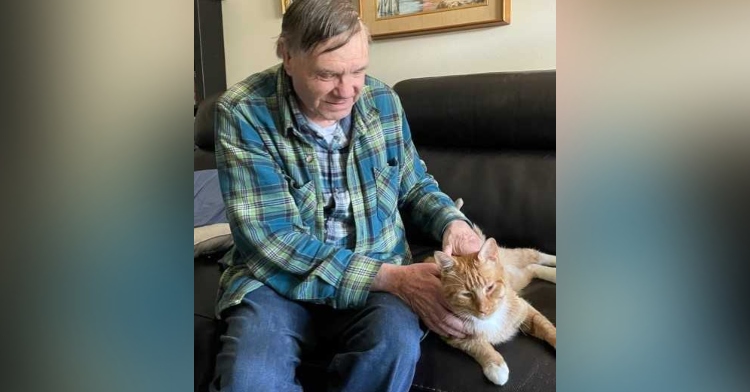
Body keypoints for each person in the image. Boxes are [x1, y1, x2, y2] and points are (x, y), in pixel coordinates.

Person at [210, 0, 483, 391]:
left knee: (394, 345)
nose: (348, 90)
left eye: (358, 70)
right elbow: (272, 239)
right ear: (287, 56)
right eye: (328, 74)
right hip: (276, 282)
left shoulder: (382, 101)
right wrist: (393, 279)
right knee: (249, 380)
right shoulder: (243, 113)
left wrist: (451, 221)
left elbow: (414, 184)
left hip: (377, 272)